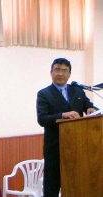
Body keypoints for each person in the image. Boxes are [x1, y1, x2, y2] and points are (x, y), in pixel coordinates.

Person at [36, 58, 96, 197]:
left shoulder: (77, 91)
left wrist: (91, 109)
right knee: (52, 187)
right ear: (51, 72)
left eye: (64, 70)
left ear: (69, 74)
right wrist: (63, 115)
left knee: (77, 185)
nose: (60, 74)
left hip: (79, 148)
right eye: (57, 70)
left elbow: (88, 105)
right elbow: (42, 118)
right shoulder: (44, 94)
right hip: (55, 149)